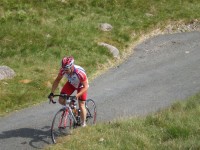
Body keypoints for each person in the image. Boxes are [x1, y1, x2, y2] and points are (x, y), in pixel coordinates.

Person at [48, 56, 89, 127]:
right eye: (63, 69)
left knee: (81, 104)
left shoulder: (80, 73)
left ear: (72, 66)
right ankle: (73, 109)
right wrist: (52, 93)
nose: (65, 71)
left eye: (66, 69)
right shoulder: (63, 70)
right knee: (61, 100)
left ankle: (83, 124)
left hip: (81, 85)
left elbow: (86, 86)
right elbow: (57, 80)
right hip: (71, 83)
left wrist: (76, 96)